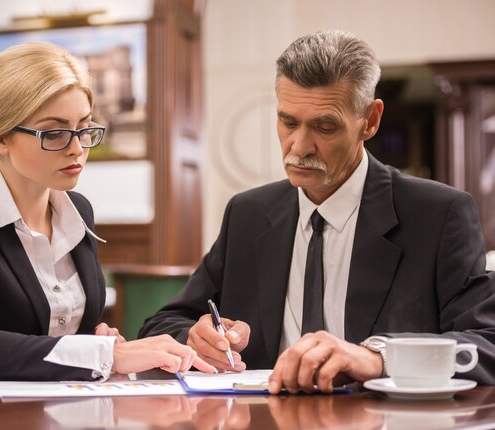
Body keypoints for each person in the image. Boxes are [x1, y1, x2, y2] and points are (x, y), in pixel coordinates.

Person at [138, 29, 495, 392]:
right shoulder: (247, 214)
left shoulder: (438, 215)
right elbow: (163, 323)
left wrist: (378, 359)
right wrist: (196, 338)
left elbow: (487, 343)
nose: (299, 146)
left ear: (370, 120)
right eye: (288, 122)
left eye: (325, 126)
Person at [0, 42, 215, 381]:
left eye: (84, 129)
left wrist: (99, 344)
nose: (77, 149)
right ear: (0, 137)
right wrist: (102, 354)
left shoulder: (78, 211)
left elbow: (70, 343)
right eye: (55, 133)